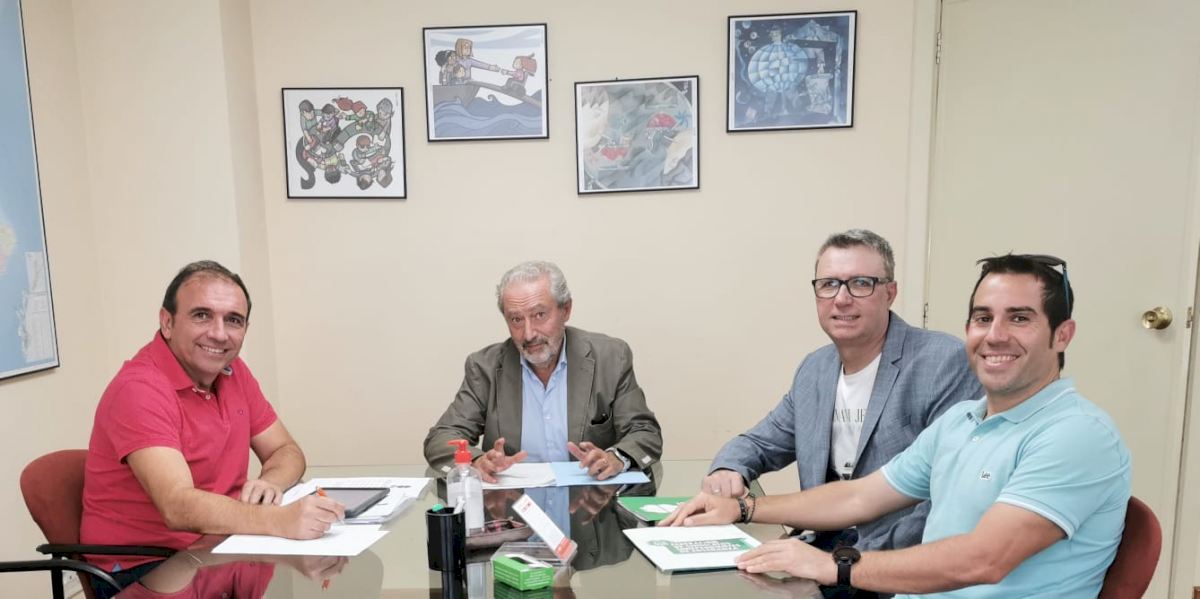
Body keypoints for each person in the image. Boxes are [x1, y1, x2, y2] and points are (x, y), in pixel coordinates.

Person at [666, 254, 1131, 598]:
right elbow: (859, 496)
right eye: (983, 318)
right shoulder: (963, 422)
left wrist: (837, 567)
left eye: (1020, 318)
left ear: (1062, 334)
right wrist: (743, 508)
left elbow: (985, 560)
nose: (995, 335)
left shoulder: (1076, 434)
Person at [704, 229, 982, 554]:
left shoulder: (943, 361)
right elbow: (762, 442)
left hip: (896, 560)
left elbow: (945, 493)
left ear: (890, 293)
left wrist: (847, 566)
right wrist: (728, 468)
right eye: (829, 284)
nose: (841, 298)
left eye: (861, 283)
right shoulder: (815, 369)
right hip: (821, 546)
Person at [81, 261, 344, 597]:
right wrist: (279, 520)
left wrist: (270, 483)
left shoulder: (233, 371)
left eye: (233, 320)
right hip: (147, 569)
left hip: (220, 548)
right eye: (202, 315)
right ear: (167, 322)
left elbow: (285, 451)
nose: (219, 334)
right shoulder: (139, 389)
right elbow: (177, 506)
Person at [424, 260, 662, 482]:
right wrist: (476, 462)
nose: (528, 334)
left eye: (539, 315)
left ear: (566, 310)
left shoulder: (610, 357)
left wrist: (616, 457)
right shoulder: (484, 367)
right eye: (516, 320)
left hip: (592, 503)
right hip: (512, 505)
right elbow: (442, 438)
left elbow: (645, 432)